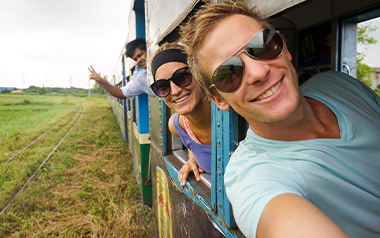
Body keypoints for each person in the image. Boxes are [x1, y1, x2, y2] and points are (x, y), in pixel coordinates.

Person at [180, 1, 380, 237]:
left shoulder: (339, 84)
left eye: (263, 46)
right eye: (228, 73)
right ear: (219, 100)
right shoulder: (252, 175)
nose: (258, 72)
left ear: (284, 48)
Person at [150, 42, 211, 186]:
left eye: (182, 77)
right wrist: (193, 157)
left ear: (197, 73)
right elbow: (192, 144)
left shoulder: (231, 108)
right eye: (163, 86)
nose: (175, 90)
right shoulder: (177, 126)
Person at [89, 38, 155, 99]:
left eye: (140, 55)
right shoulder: (140, 77)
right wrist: (100, 80)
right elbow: (121, 93)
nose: (138, 61)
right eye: (135, 59)